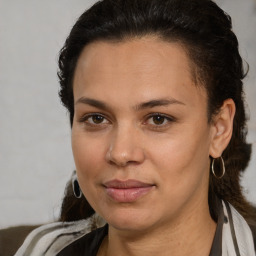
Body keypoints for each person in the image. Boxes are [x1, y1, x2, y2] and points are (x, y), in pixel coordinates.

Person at [15, 0, 256, 255]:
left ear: (218, 129)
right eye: (97, 118)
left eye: (158, 119)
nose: (120, 153)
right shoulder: (40, 249)